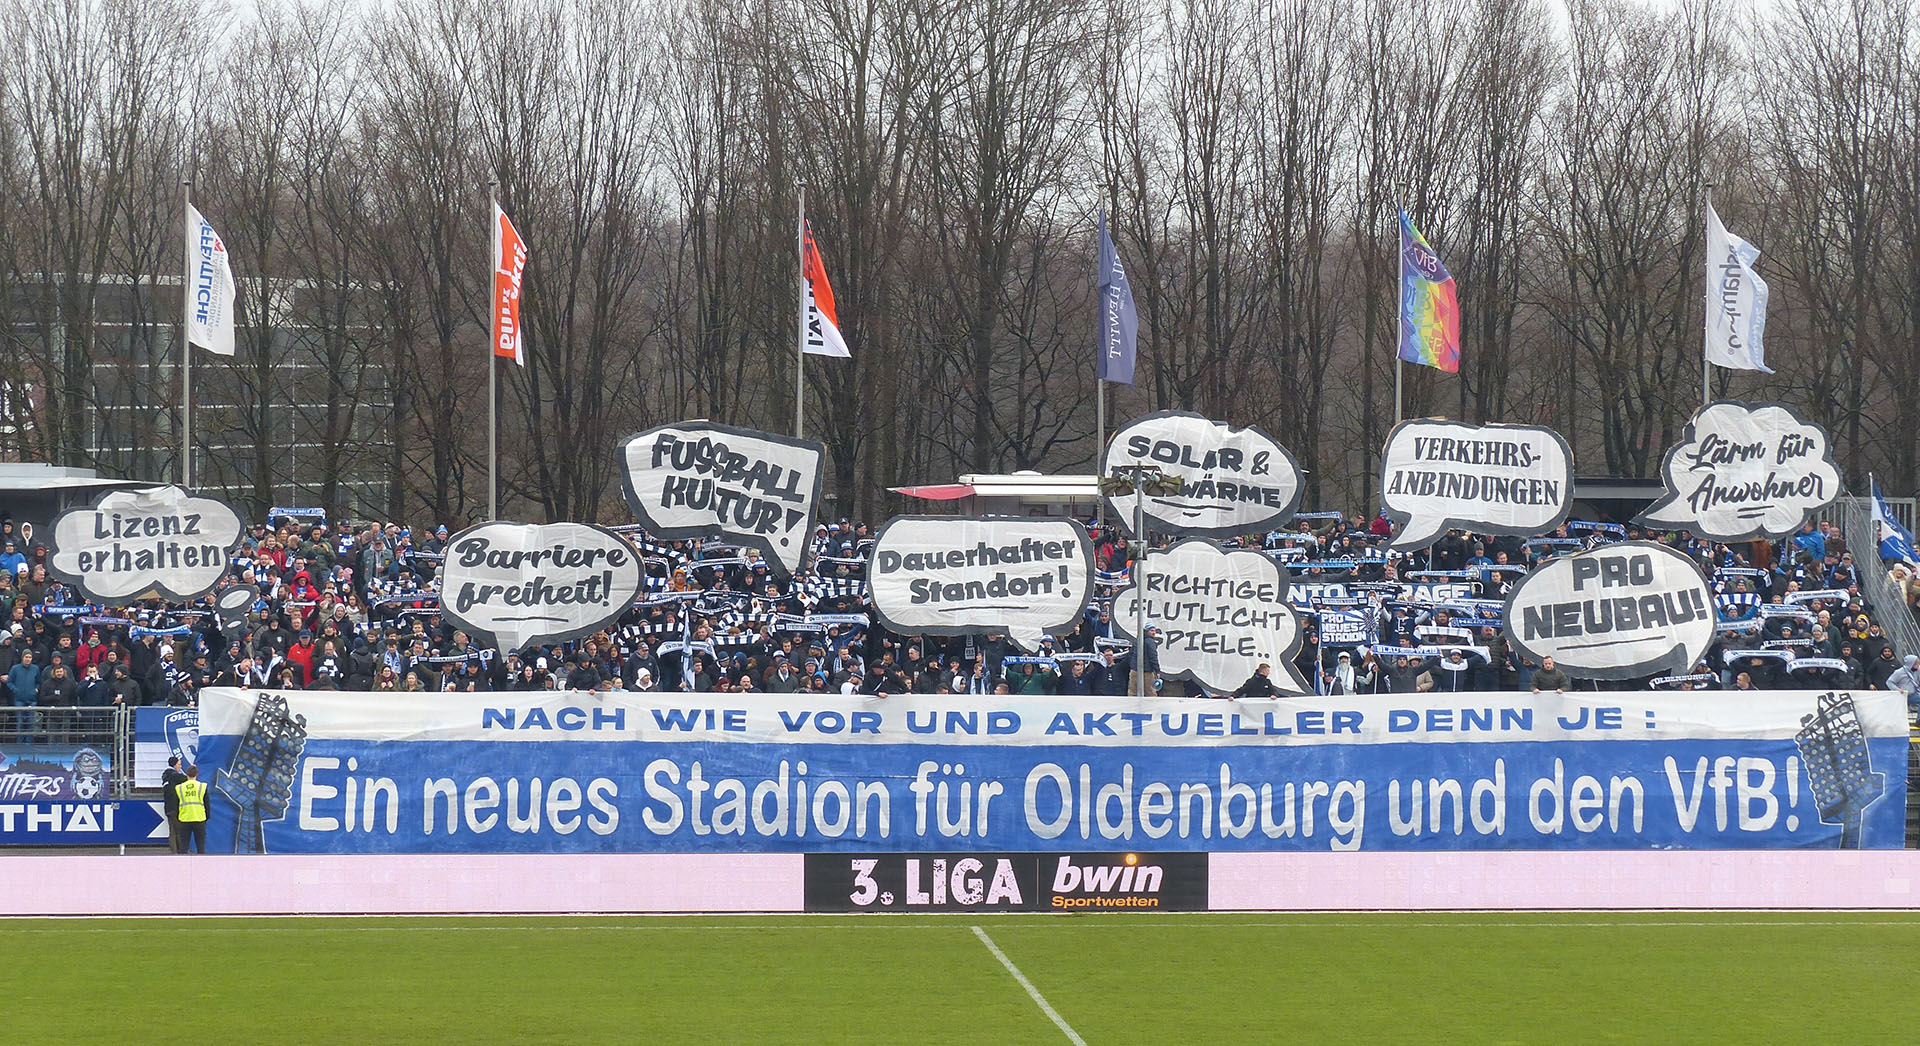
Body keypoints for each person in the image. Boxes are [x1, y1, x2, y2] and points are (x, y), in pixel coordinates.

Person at [175, 764, 209, 854]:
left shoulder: (179, 788)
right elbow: (207, 804)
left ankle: (182, 865)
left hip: (184, 818)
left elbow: (176, 804)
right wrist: (206, 817)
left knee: (184, 845)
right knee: (200, 845)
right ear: (197, 774)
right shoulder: (202, 786)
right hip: (199, 818)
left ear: (186, 774)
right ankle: (201, 865)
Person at [160, 756, 188, 854]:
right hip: (175, 807)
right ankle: (180, 852)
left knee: (172, 830)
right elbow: (186, 778)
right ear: (174, 765)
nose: (180, 767)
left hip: (169, 807)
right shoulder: (173, 775)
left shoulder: (166, 775)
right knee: (179, 830)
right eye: (179, 764)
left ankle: (174, 851)